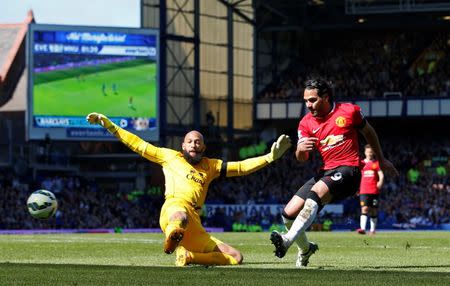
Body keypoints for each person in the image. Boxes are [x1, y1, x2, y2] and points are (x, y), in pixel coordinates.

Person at [86, 112, 291, 267]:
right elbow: (138, 144)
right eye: (190, 141)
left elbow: (241, 167)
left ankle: (188, 255)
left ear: (203, 147)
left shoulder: (211, 166)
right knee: (181, 214)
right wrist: (110, 125)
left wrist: (269, 158)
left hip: (195, 224)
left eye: (198, 142)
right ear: (183, 146)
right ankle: (173, 235)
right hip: (173, 209)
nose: (194, 144)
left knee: (236, 258)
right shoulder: (169, 157)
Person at [269, 78, 398, 268]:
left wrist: (381, 158)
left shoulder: (349, 111)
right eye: (305, 100)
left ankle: (287, 240)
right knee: (287, 214)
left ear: (326, 97)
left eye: (312, 100)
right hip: (327, 171)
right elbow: (302, 158)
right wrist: (300, 149)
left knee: (316, 194)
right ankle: (306, 249)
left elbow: (369, 133)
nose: (308, 105)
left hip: (350, 170)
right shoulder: (305, 123)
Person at [357, 144, 384, 235]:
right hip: (363, 190)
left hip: (374, 191)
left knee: (373, 210)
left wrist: (380, 181)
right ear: (365, 152)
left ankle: (372, 230)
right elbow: (357, 176)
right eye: (368, 152)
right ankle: (362, 229)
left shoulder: (376, 163)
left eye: (371, 152)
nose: (369, 153)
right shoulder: (361, 163)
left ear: (373, 153)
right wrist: (356, 187)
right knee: (364, 208)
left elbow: (381, 174)